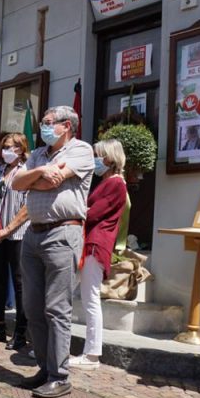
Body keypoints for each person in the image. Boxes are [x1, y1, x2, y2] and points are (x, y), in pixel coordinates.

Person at [11, 106, 94, 398]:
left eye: (48, 123)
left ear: (66, 126)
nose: (44, 128)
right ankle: (44, 368)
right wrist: (37, 172)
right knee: (32, 306)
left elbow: (50, 181)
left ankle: (60, 375)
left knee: (57, 307)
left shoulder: (81, 150)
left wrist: (35, 178)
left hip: (63, 233)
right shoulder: (38, 155)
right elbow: (15, 182)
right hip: (33, 233)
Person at [69, 139, 129, 370]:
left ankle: (92, 354)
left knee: (90, 299)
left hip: (96, 244)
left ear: (110, 158)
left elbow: (93, 213)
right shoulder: (108, 182)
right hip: (91, 243)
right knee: (80, 297)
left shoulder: (115, 184)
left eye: (98, 155)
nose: (95, 159)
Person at [0, 132, 31, 348]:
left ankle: (20, 332)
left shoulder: (26, 171)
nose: (7, 151)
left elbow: (28, 206)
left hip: (18, 233)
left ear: (21, 149)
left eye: (11, 147)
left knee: (20, 283)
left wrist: (8, 229)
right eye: (4, 147)